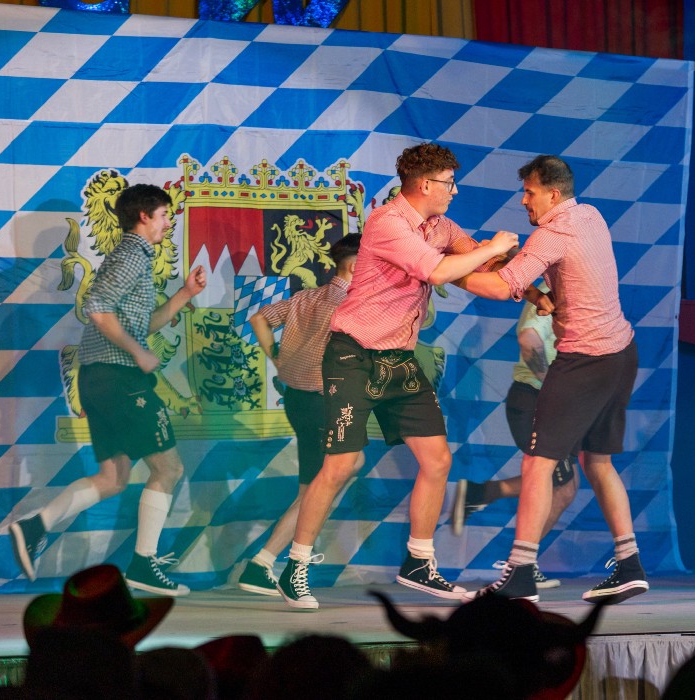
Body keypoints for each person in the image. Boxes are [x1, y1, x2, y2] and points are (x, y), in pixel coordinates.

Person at [275, 142, 518, 609]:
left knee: (438, 460)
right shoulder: (387, 222)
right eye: (449, 183)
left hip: (398, 360)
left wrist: (532, 281)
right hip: (353, 356)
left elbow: (481, 267)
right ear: (424, 184)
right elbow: (438, 271)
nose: (454, 191)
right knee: (340, 465)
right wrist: (495, 247)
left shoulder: (441, 226)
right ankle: (295, 567)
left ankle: (419, 563)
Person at [456, 154, 648, 604]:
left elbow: (501, 286)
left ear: (553, 194)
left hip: (585, 359)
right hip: (622, 353)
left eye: (530, 192)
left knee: (537, 465)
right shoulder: (590, 215)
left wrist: (446, 271)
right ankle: (630, 566)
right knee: (597, 462)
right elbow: (556, 273)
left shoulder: (551, 234)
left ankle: (521, 575)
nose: (524, 201)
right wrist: (539, 292)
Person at [10, 184, 206, 595]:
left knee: (113, 477)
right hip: (120, 378)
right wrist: (138, 353)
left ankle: (35, 526)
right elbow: (97, 308)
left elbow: (142, 323)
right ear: (144, 216)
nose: (168, 223)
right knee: (168, 469)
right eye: (164, 215)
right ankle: (143, 564)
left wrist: (185, 294)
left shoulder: (135, 256)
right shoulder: (132, 254)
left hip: (100, 378)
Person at [234, 234, 364, 596]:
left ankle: (264, 564)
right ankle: (264, 563)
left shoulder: (307, 297)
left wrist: (276, 357)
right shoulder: (352, 304)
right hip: (323, 402)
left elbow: (259, 319)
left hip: (297, 399)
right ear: (356, 265)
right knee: (319, 486)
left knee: (336, 473)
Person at [450, 282, 579, 590]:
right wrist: (551, 385)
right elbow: (528, 337)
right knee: (560, 486)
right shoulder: (549, 292)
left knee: (562, 484)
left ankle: (480, 495)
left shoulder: (572, 292)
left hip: (554, 402)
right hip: (538, 400)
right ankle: (520, 565)